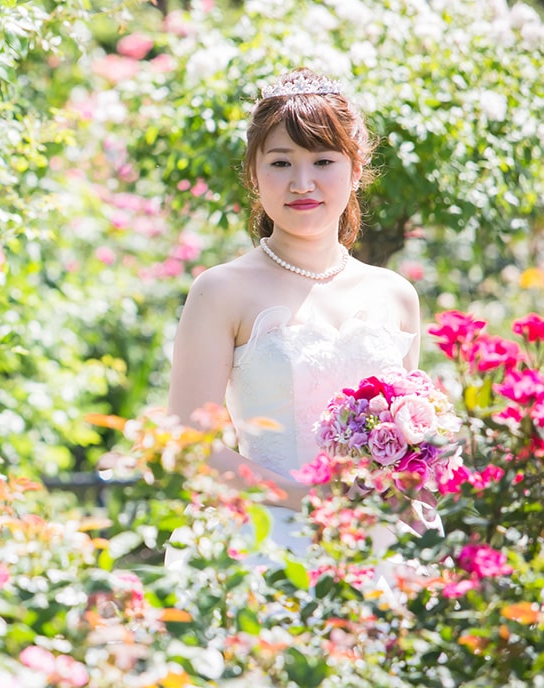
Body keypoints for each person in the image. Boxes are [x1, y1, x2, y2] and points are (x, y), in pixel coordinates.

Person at [166, 67, 421, 558]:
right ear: (254, 173)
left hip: (382, 544)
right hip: (266, 541)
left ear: (355, 168)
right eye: (281, 163)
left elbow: (415, 444)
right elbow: (189, 445)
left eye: (323, 161)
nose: (302, 183)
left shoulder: (396, 294)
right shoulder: (221, 290)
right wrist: (310, 501)